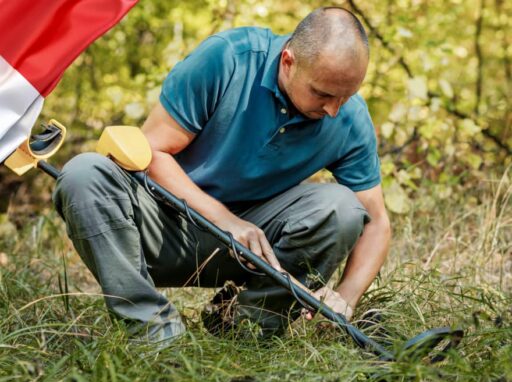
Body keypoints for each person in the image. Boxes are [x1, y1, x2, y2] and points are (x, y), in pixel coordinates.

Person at [53, 6, 391, 345]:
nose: (334, 109)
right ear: (288, 61)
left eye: (346, 96)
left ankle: (243, 328)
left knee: (343, 208)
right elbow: (152, 152)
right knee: (84, 173)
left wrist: (346, 296)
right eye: (323, 93)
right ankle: (154, 332)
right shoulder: (229, 58)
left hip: (256, 247)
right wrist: (225, 220)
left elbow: (376, 221)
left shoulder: (349, 118)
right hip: (163, 224)